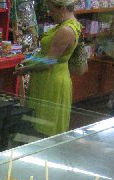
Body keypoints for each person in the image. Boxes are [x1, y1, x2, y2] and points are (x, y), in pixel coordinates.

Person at [13, 0, 81, 137]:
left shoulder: (66, 30)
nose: (50, 13)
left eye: (52, 10)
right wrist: (30, 60)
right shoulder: (65, 25)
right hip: (47, 77)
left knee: (44, 126)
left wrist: (27, 69)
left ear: (62, 9)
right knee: (37, 123)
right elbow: (46, 55)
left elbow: (49, 62)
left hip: (51, 80)